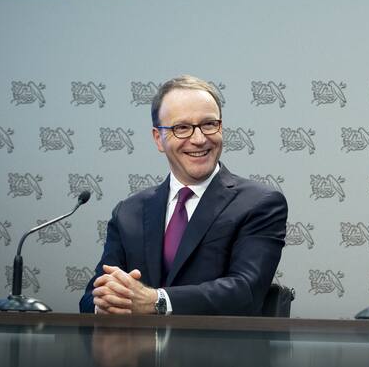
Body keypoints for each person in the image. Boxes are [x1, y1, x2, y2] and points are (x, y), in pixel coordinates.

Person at [79, 75, 288, 315]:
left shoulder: (260, 203)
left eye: (209, 124)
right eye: (182, 128)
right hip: (137, 351)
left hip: (220, 349)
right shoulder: (129, 212)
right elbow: (89, 298)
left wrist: (156, 301)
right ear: (159, 139)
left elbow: (245, 291)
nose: (199, 139)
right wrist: (106, 303)